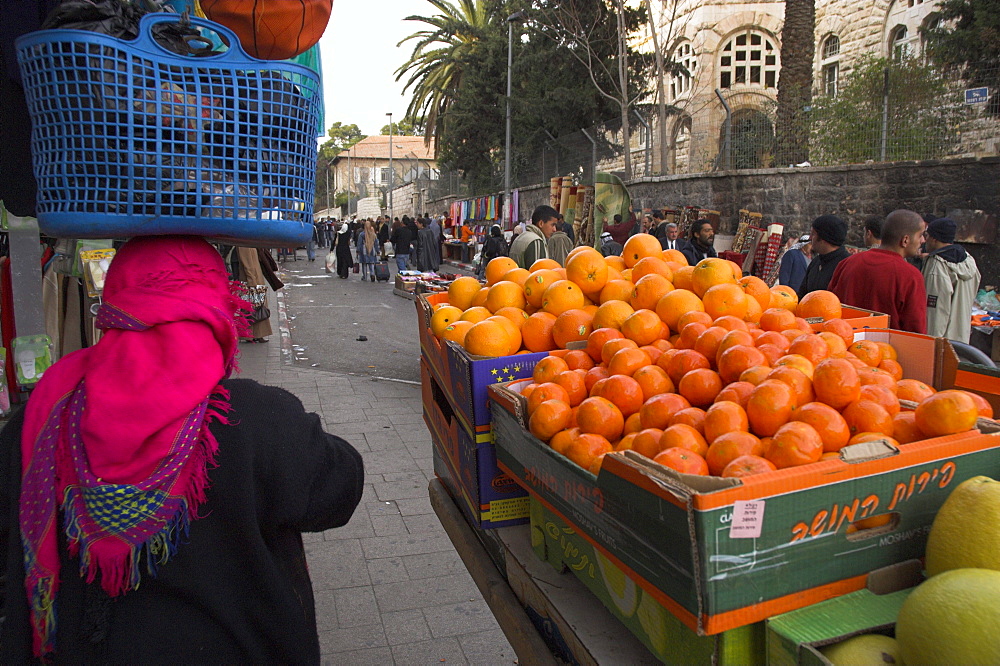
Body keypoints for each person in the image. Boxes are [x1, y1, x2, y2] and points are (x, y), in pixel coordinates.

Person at [0, 236, 364, 662]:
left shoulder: (41, 418)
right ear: (214, 311)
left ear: (116, 307)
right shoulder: (256, 418)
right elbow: (340, 490)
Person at [829, 210, 928, 333]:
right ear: (905, 240)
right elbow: (916, 331)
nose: (923, 240)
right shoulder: (910, 276)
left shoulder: (847, 263)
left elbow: (830, 308)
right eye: (920, 235)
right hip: (886, 350)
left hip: (843, 345)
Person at [922, 217, 981, 342]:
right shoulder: (969, 260)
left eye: (927, 235)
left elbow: (936, 311)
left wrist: (932, 341)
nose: (924, 240)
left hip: (944, 341)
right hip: (962, 336)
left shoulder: (937, 265)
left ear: (934, 238)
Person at [797, 215, 850, 298]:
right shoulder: (816, 262)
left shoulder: (847, 265)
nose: (810, 238)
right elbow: (802, 294)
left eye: (813, 234)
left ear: (823, 239)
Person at [235, 246, 273, 343]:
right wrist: (252, 281)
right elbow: (247, 265)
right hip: (252, 280)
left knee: (256, 306)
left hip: (255, 278)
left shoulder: (248, 243)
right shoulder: (244, 245)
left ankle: (256, 334)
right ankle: (251, 335)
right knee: (253, 308)